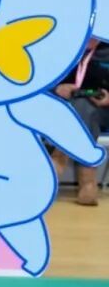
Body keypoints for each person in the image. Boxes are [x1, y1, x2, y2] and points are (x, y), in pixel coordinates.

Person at [51, 35, 109, 205]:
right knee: (82, 106)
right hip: (64, 109)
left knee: (82, 107)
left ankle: (58, 160)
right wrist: (57, 89)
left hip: (104, 111)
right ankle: (88, 181)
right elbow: (36, 83)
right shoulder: (61, 49)